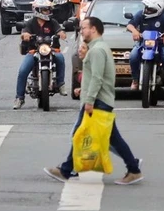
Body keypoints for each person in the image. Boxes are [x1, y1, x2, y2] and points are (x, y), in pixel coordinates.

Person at [44, 16, 143, 185]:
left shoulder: (97, 51)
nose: (81, 31)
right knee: (111, 139)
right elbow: (100, 77)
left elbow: (98, 78)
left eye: (84, 28)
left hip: (97, 102)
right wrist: (84, 89)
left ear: (94, 29)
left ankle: (67, 170)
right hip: (100, 100)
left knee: (79, 135)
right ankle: (133, 168)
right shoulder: (99, 48)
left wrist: (89, 100)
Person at [126, 0, 164, 108]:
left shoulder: (163, 16)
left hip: (160, 45)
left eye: (150, 8)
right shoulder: (141, 14)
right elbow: (130, 24)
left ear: (158, 9)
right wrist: (134, 31)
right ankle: (135, 79)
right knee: (133, 56)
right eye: (146, 7)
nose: (147, 10)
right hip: (143, 43)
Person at [14, 0, 67, 109]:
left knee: (60, 58)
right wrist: (25, 35)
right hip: (34, 51)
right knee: (23, 70)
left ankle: (61, 83)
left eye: (48, 9)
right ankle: (19, 97)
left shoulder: (52, 22)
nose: (47, 12)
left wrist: (61, 33)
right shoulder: (31, 23)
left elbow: (59, 30)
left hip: (51, 49)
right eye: (45, 10)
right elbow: (24, 32)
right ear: (37, 10)